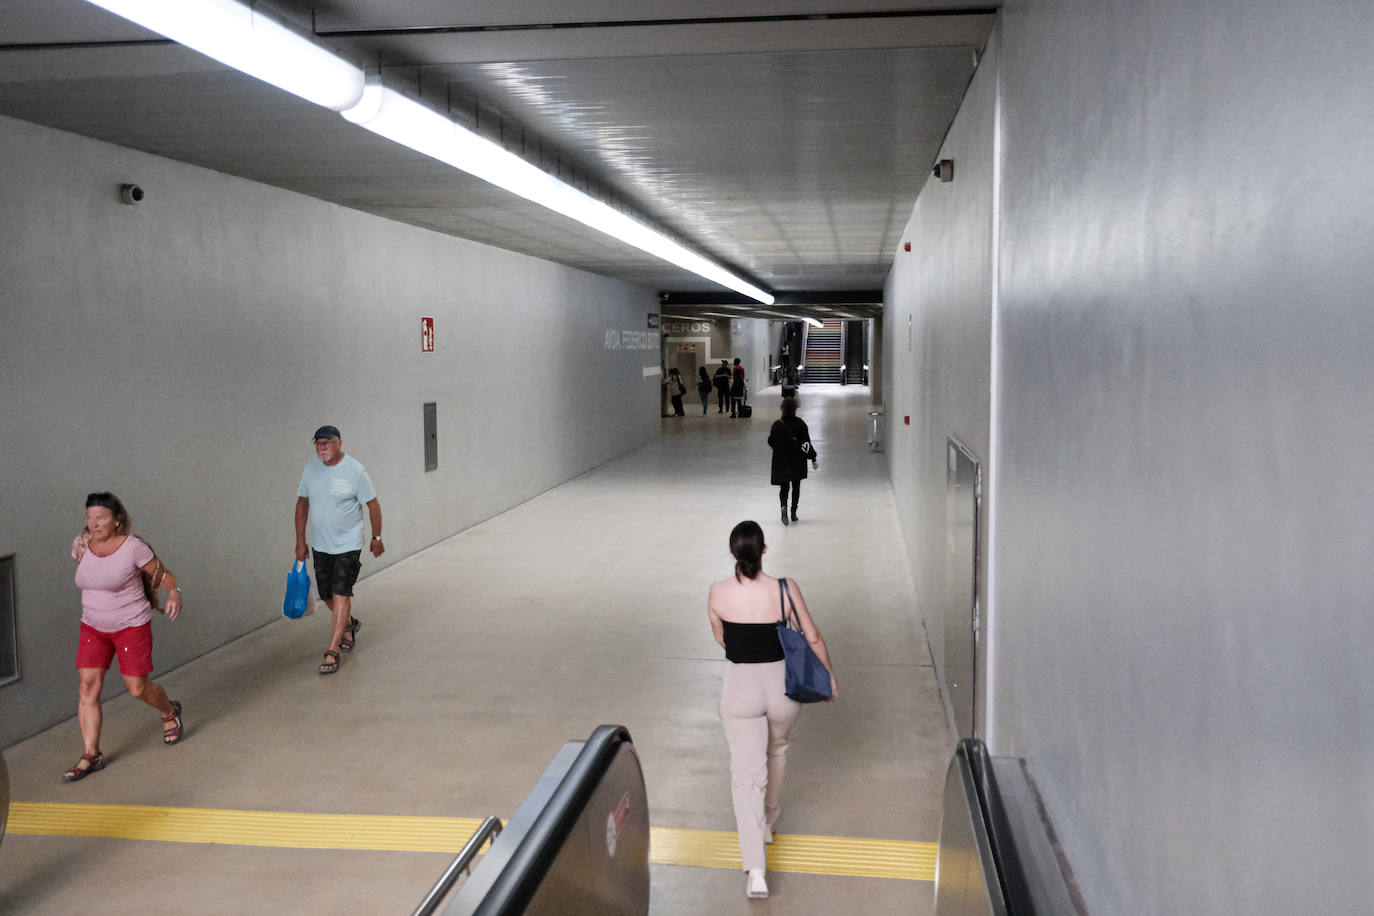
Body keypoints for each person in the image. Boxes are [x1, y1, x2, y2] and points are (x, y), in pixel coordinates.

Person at [707, 520, 836, 899]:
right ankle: (768, 823)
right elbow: (811, 636)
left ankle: (756, 871)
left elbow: (722, 639)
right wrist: (828, 679)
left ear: (732, 552)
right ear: (764, 551)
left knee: (747, 777)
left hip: (740, 687)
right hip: (783, 688)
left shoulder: (717, 592)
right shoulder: (784, 589)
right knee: (776, 750)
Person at [64, 492, 185, 782]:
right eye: (89, 518)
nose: (94, 524)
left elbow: (162, 575)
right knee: (87, 689)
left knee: (137, 688)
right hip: (92, 626)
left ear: (117, 521)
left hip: (131, 625)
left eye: (101, 518)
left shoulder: (133, 548)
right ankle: (91, 753)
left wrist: (174, 592)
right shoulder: (82, 545)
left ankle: (169, 711)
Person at [294, 425, 384, 675]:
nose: (322, 447)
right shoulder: (310, 470)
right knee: (327, 596)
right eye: (318, 443)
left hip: (348, 543)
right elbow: (302, 505)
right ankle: (349, 624)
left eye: (328, 442)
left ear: (339, 443)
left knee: (341, 591)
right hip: (321, 544)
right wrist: (300, 541)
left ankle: (332, 650)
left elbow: (373, 505)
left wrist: (376, 537)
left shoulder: (355, 470)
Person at [767, 398, 819, 526]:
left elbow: (770, 441)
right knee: (796, 486)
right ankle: (793, 512)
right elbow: (806, 444)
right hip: (797, 461)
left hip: (782, 461)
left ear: (782, 409)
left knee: (784, 487)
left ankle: (783, 509)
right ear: (795, 409)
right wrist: (813, 458)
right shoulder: (801, 424)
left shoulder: (777, 425)